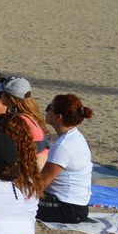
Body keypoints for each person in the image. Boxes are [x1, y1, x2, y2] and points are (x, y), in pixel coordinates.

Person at [38, 94, 95, 223]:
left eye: (49, 108)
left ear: (59, 117)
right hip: (76, 206)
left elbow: (42, 182)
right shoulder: (75, 136)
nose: (46, 111)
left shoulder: (64, 146)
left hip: (67, 208)